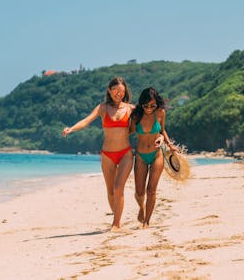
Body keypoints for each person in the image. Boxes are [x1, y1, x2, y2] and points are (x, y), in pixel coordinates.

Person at [62, 77, 134, 231]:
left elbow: (148, 123)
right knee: (110, 191)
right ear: (109, 90)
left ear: (125, 92)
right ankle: (117, 216)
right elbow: (87, 120)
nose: (119, 93)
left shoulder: (130, 109)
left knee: (118, 188)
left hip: (125, 154)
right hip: (107, 154)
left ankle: (116, 224)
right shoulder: (102, 108)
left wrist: (161, 137)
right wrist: (71, 129)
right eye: (116, 90)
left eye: (122, 91)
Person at [130, 87, 177, 228]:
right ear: (141, 103)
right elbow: (129, 131)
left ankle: (147, 222)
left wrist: (168, 143)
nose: (149, 108)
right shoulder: (136, 115)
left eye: (152, 105)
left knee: (151, 190)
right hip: (140, 156)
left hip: (157, 155)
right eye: (146, 105)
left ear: (157, 103)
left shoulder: (161, 113)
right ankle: (142, 208)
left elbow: (162, 130)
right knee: (139, 192)